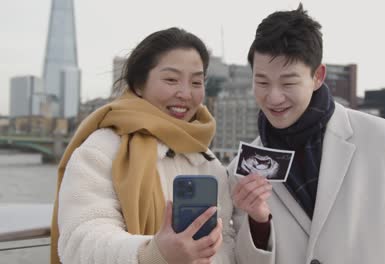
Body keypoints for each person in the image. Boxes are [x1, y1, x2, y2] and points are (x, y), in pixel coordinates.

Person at [228, 4, 385, 264]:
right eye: (262, 82)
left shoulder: (383, 141)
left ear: (318, 76)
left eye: (288, 82)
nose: (273, 97)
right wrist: (258, 223)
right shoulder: (241, 169)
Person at [50, 27, 269, 264]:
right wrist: (153, 253)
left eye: (196, 82)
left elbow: (225, 240)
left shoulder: (207, 161)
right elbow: (79, 241)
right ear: (139, 84)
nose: (185, 93)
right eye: (171, 80)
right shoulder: (102, 150)